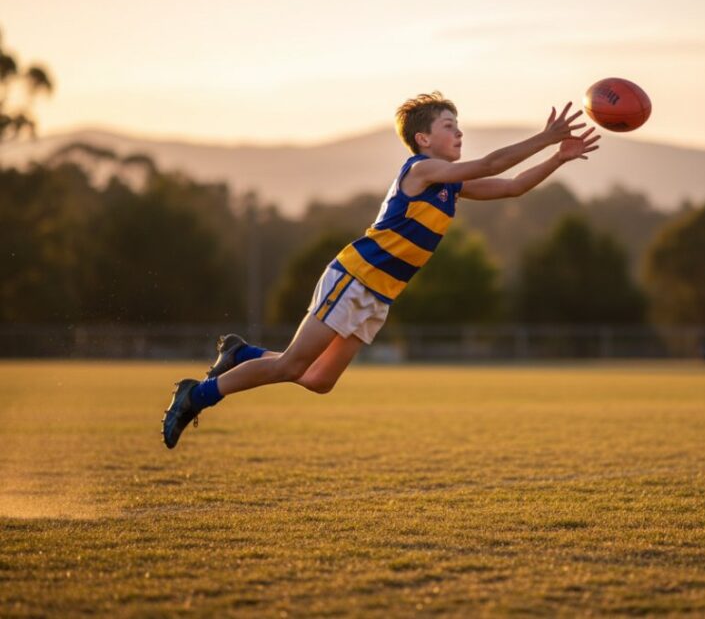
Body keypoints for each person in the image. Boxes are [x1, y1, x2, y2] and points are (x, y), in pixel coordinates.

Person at [163, 92, 600, 448]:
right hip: (354, 278)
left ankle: (242, 354)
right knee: (292, 366)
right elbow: (490, 165)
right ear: (423, 139)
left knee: (318, 380)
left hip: (379, 294)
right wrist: (545, 137)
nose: (460, 132)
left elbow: (511, 186)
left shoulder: (450, 183)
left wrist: (558, 158)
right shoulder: (423, 170)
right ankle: (195, 396)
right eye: (450, 125)